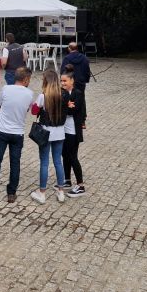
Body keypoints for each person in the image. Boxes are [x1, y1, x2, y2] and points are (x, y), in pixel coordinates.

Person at [0, 66, 33, 204]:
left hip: (2, 130)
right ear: (26, 80)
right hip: (17, 132)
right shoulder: (29, 94)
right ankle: (11, 193)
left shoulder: (6, 89)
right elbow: (27, 109)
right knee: (15, 163)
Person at [29, 70, 68, 204]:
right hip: (60, 131)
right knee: (58, 161)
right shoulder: (64, 94)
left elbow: (34, 111)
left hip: (46, 132)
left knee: (44, 162)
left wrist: (35, 105)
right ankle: (61, 191)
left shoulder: (43, 96)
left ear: (46, 81)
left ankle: (42, 192)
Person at [60, 69, 86, 197]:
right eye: (61, 81)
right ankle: (67, 179)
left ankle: (80, 185)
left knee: (73, 156)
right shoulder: (62, 93)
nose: (62, 83)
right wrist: (66, 106)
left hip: (73, 131)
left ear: (72, 81)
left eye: (65, 81)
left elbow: (74, 110)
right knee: (64, 155)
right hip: (63, 129)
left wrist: (64, 107)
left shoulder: (78, 93)